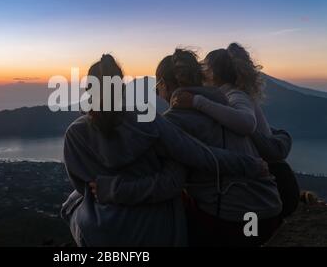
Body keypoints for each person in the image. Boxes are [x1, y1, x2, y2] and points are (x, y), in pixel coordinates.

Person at [61, 54, 267, 247]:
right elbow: (200, 154)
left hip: (102, 231)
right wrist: (250, 164)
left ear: (89, 89)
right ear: (122, 87)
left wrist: (112, 189)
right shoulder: (150, 122)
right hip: (160, 230)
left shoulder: (75, 135)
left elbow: (83, 188)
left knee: (72, 202)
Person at [174, 43, 300, 217]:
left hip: (276, 181)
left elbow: (246, 123)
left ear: (213, 73)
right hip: (271, 181)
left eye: (205, 69)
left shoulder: (235, 96)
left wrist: (197, 102)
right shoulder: (227, 97)